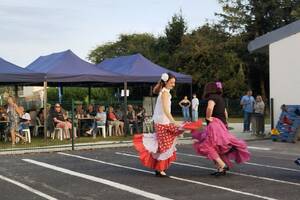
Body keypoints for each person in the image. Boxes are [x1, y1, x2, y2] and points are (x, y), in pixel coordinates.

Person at [192, 82, 250, 176]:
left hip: (215, 124)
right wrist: (225, 123)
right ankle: (220, 168)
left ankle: (222, 165)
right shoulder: (221, 99)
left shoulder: (212, 98)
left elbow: (210, 108)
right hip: (222, 124)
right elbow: (225, 112)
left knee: (207, 146)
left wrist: (208, 117)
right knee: (217, 147)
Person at [133, 72, 185, 177]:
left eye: (174, 83)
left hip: (162, 122)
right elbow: (166, 109)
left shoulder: (163, 91)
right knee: (166, 146)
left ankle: (159, 168)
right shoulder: (165, 93)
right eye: (171, 82)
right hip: (163, 123)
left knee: (165, 145)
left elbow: (163, 107)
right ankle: (159, 169)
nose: (173, 84)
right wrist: (174, 121)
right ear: (166, 82)